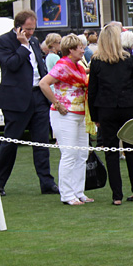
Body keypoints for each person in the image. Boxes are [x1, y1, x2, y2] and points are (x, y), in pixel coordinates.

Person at [0, 10, 59, 196]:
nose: (31, 33)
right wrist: (23, 46)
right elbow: (11, 65)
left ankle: (47, 183)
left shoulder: (35, 42)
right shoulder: (3, 41)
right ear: (18, 26)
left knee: (42, 142)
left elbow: (40, 66)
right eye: (28, 29)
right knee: (10, 142)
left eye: (33, 29)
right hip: (16, 100)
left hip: (38, 96)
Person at [88, 24, 133, 206]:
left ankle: (117, 195)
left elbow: (93, 90)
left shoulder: (97, 62)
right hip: (129, 107)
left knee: (111, 151)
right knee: (131, 150)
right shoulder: (128, 59)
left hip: (106, 109)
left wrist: (94, 115)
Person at [38, 34, 91, 206]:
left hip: (81, 113)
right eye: (80, 48)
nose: (83, 50)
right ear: (71, 50)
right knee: (69, 153)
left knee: (82, 153)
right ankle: (67, 194)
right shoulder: (62, 66)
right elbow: (44, 83)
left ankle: (78, 191)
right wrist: (56, 102)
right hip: (65, 113)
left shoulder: (79, 66)